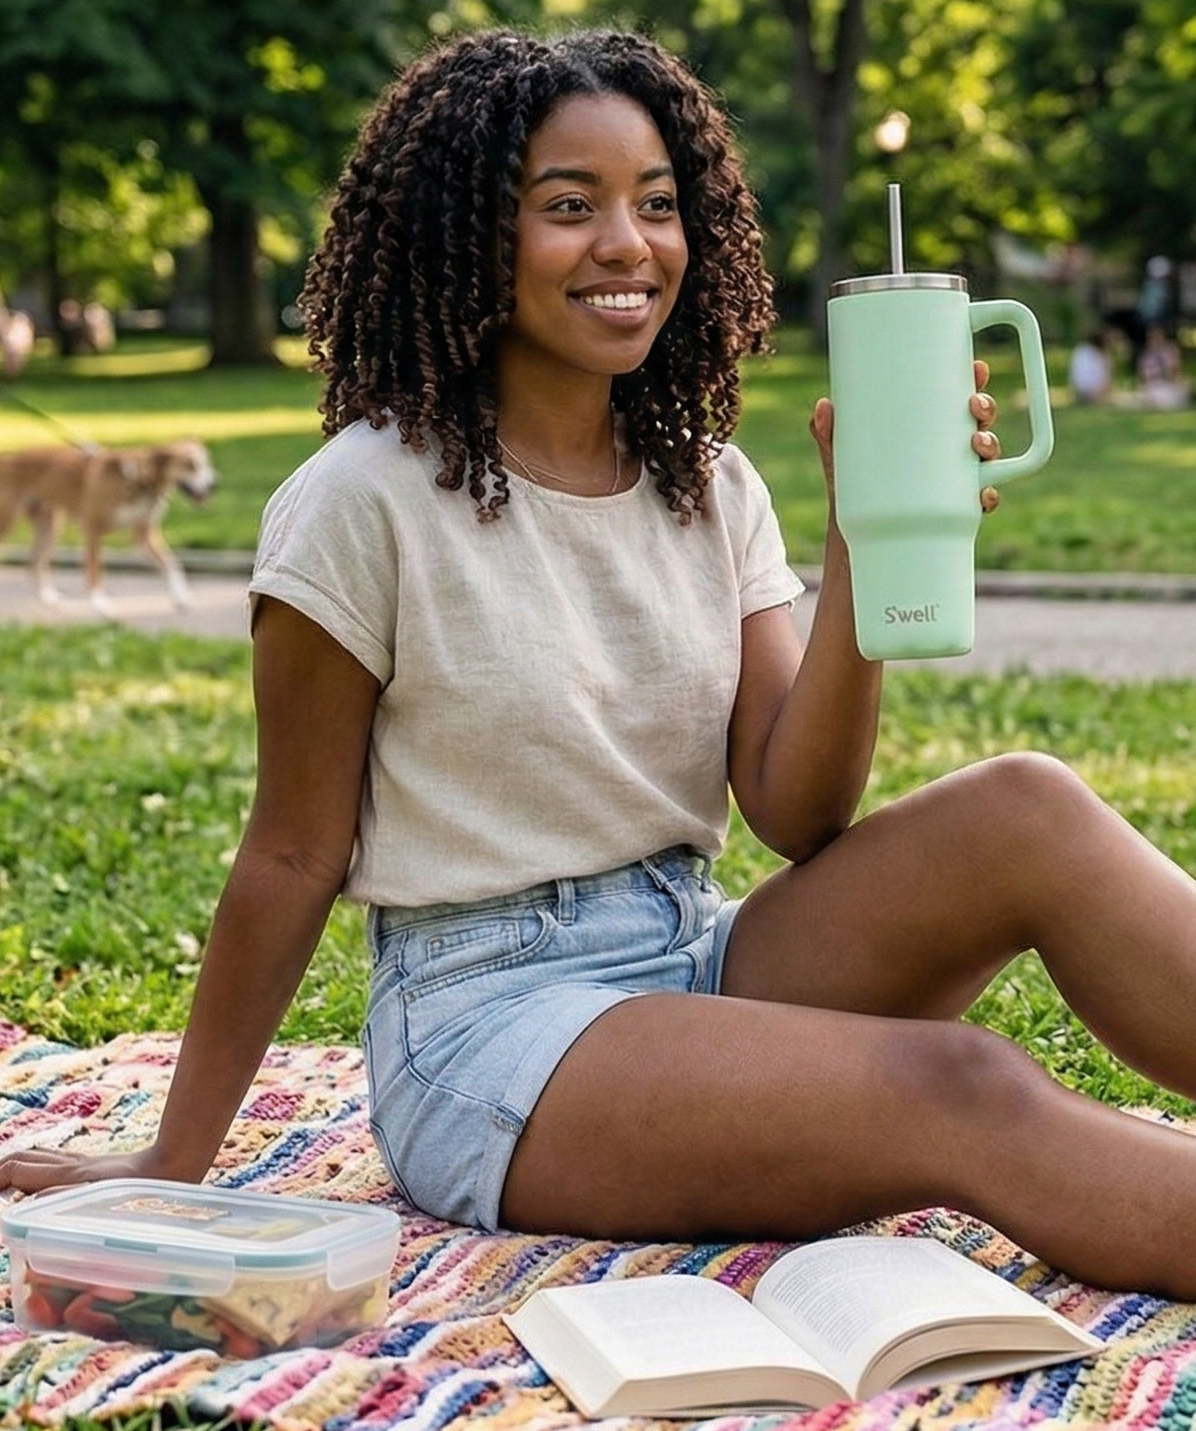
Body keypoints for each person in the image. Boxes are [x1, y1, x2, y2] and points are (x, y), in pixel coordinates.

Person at [7, 30, 1196, 1301]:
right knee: (961, 1082)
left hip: (690, 949)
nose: (629, 245)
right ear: (465, 236)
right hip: (490, 1031)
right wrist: (170, 1157)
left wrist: (869, 535)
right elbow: (291, 855)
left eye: (658, 204)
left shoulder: (707, 482)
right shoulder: (360, 502)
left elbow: (798, 814)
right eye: (567, 207)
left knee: (1025, 808)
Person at [1137, 323, 1190, 411]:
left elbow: (1175, 371)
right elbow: (1143, 377)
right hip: (1153, 386)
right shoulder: (1145, 354)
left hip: (1169, 385)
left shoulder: (1171, 350)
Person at [1067, 330, 1112, 405]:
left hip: (1078, 391)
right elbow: (1103, 379)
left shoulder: (1080, 350)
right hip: (1094, 392)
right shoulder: (1100, 355)